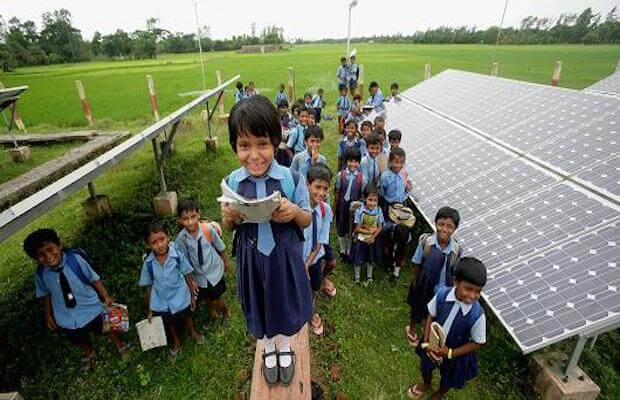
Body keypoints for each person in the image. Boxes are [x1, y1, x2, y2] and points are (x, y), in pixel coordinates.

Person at [221, 95, 312, 387]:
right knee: (260, 303)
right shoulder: (233, 183)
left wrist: (294, 212)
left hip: (283, 258)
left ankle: (285, 347)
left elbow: (308, 218)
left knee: (284, 304)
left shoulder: (291, 178)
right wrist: (230, 216)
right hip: (251, 258)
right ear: (235, 146)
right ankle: (270, 349)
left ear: (275, 142)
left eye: (262, 144)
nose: (254, 155)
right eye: (244, 146)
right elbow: (226, 226)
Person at [24, 229, 129, 371]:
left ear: (59, 246)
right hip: (66, 316)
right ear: (36, 259)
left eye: (50, 249)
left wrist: (106, 296)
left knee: (107, 326)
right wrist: (48, 315)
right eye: (41, 255)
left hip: (90, 307)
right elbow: (45, 294)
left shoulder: (75, 260)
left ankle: (119, 344)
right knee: (76, 337)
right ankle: (88, 351)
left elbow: (94, 278)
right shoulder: (41, 274)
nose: (48, 256)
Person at [407, 257, 487, 400]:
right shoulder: (443, 294)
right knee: (425, 366)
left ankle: (440, 393)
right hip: (432, 343)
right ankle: (426, 383)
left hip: (455, 354)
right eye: (468, 289)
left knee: (448, 378)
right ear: (456, 281)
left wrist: (450, 352)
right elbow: (431, 314)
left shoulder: (478, 315)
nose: (473, 295)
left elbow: (476, 343)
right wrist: (426, 340)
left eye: (478, 291)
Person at [139, 220, 204, 361]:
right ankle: (176, 341)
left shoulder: (177, 256)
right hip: (162, 303)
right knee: (169, 323)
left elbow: (187, 274)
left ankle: (193, 332)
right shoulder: (148, 264)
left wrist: (192, 296)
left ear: (168, 237)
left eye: (162, 239)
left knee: (187, 316)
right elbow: (148, 286)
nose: (160, 244)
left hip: (181, 297)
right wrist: (150, 309)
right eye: (154, 242)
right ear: (148, 244)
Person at [175, 198, 230, 330]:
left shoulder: (207, 230)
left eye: (193, 216)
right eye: (185, 218)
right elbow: (184, 261)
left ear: (198, 214)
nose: (190, 222)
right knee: (207, 298)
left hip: (214, 271)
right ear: (180, 220)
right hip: (199, 277)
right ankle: (212, 315)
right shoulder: (181, 239)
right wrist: (191, 279)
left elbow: (220, 246)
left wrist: (226, 262)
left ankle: (225, 313)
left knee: (217, 298)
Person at [407, 207, 462, 337]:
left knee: (434, 310)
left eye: (450, 226)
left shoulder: (456, 249)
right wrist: (415, 280)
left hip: (442, 287)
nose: (444, 229)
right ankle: (412, 328)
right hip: (424, 281)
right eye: (441, 224)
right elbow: (416, 262)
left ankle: (426, 331)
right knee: (417, 305)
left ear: (455, 229)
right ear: (436, 223)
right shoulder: (427, 242)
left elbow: (454, 270)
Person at [303, 164, 333, 335]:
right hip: (296, 259)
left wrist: (307, 264)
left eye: (325, 189)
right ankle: (305, 311)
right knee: (298, 287)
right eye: (317, 187)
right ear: (308, 184)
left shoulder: (324, 209)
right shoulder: (298, 208)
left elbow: (320, 240)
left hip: (313, 258)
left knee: (314, 285)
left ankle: (310, 308)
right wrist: (301, 265)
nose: (321, 193)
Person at [379, 148, 412, 280]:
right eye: (395, 162)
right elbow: (382, 194)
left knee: (402, 237)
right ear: (390, 161)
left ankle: (396, 269)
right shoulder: (385, 176)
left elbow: (406, 189)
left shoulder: (404, 174)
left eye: (401, 163)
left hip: (402, 207)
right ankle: (387, 261)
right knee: (388, 235)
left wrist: (408, 189)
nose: (398, 165)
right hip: (389, 208)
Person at [334, 147, 367, 263]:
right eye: (350, 161)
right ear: (345, 161)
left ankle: (348, 251)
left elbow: (363, 195)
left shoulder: (361, 178)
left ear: (358, 162)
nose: (352, 164)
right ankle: (342, 250)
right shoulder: (340, 175)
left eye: (355, 161)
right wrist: (334, 209)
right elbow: (337, 193)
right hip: (342, 206)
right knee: (341, 227)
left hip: (354, 209)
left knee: (351, 228)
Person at [352, 184, 383, 284]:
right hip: (361, 239)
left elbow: (380, 227)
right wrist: (370, 231)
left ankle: (369, 277)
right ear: (364, 198)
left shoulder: (378, 210)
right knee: (359, 257)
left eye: (375, 200)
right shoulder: (359, 211)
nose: (372, 203)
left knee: (370, 258)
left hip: (371, 240)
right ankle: (357, 277)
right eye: (370, 199)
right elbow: (357, 228)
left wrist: (372, 237)